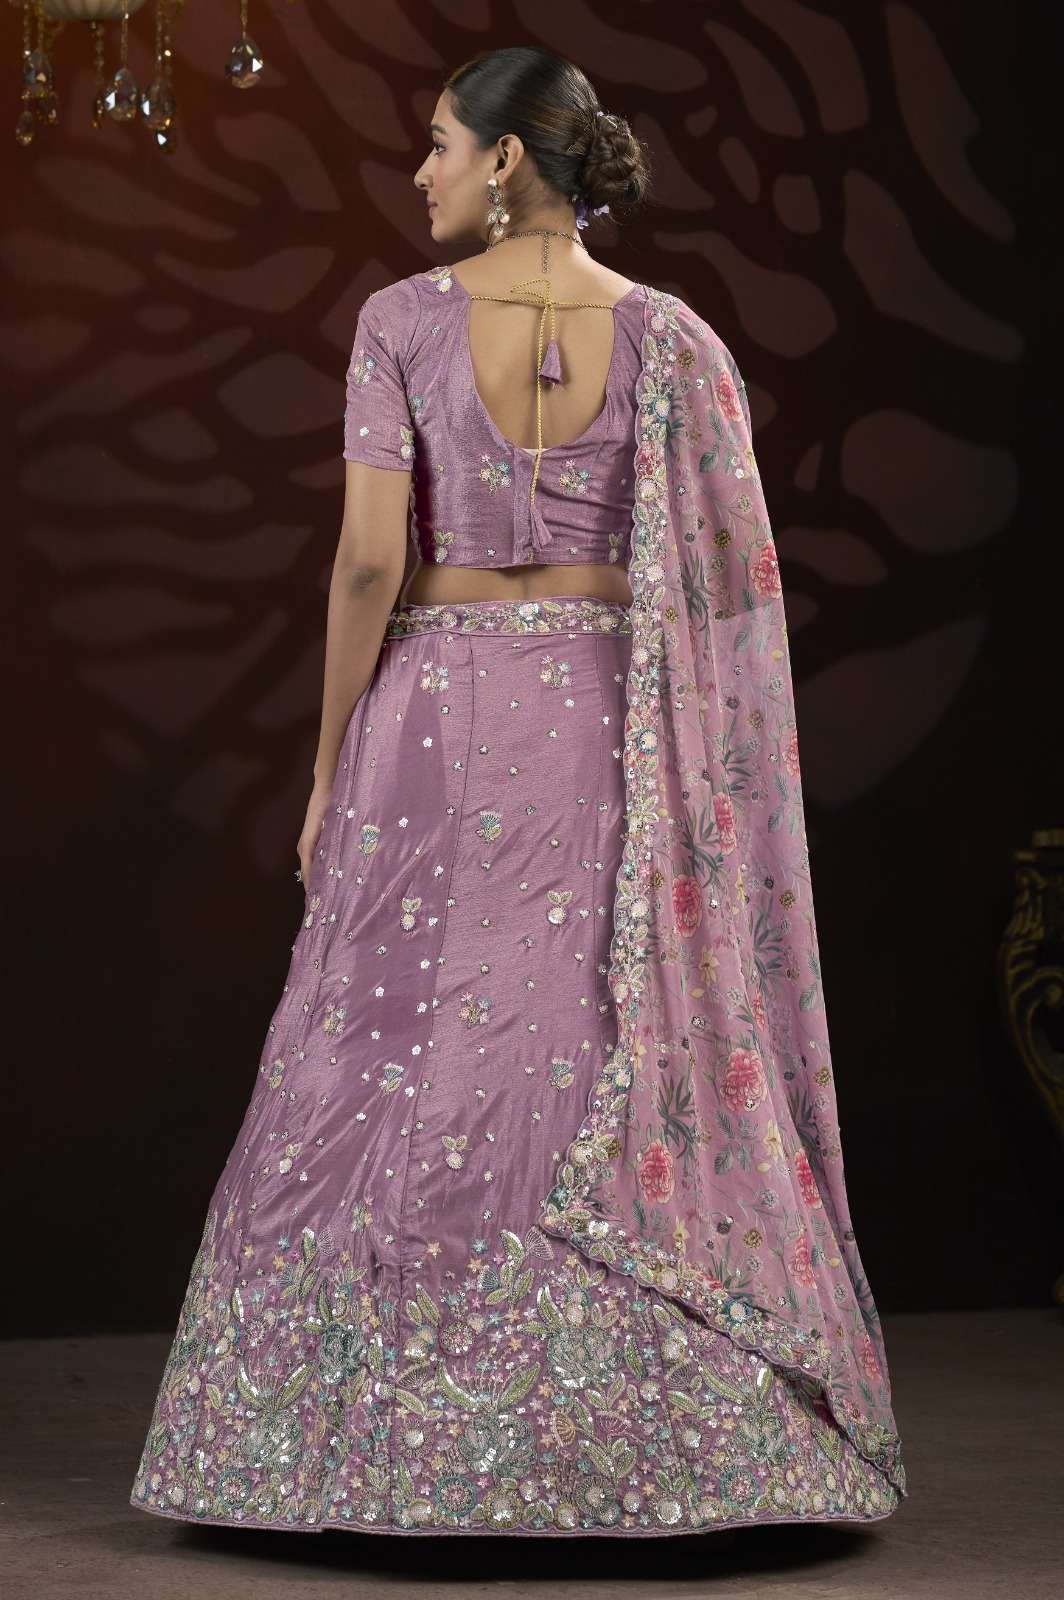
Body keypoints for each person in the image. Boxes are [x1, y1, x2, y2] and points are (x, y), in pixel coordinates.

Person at [130, 45, 907, 1537]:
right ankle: (655, 1441)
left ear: (503, 159)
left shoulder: (403, 323)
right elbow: (733, 593)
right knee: (594, 1032)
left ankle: (337, 1442)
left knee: (390, 1039)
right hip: (612, 723)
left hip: (436, 711)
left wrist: (326, 761)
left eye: (436, 143)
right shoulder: (674, 338)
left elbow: (369, 562)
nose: (417, 172)